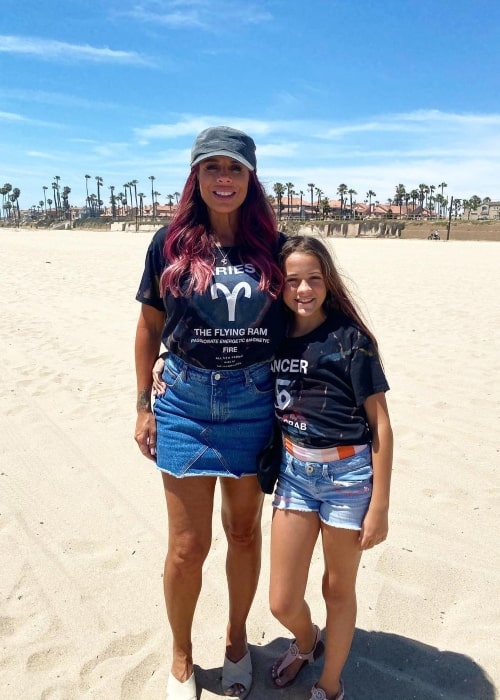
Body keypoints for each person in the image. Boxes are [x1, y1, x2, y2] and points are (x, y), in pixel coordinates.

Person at [134, 126, 286, 700]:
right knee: (186, 546)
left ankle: (236, 640)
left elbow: (310, 313)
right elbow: (149, 327)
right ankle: (180, 655)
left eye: (235, 169)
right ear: (195, 177)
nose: (223, 179)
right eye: (211, 168)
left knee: (243, 532)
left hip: (253, 401)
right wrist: (142, 407)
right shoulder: (168, 243)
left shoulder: (273, 246)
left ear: (251, 178)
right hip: (184, 404)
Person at [269, 235, 393, 700]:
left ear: (328, 282)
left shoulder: (350, 340)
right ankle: (306, 641)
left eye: (313, 279)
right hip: (295, 475)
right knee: (282, 599)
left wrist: (379, 505)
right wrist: (165, 363)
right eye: (292, 280)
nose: (303, 289)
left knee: (337, 590)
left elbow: (380, 424)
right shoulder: (274, 334)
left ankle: (330, 683)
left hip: (348, 478)